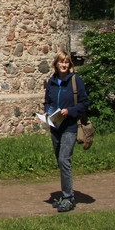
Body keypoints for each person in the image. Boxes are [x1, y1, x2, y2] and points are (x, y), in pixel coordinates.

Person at [44, 50, 90, 213]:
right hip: (55, 126)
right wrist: (47, 112)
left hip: (70, 126)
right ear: (56, 64)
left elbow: (84, 103)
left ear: (69, 64)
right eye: (61, 62)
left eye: (66, 62)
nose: (64, 65)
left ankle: (69, 197)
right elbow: (48, 101)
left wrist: (69, 111)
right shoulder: (52, 81)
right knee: (60, 160)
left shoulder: (75, 81)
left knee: (64, 160)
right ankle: (64, 196)